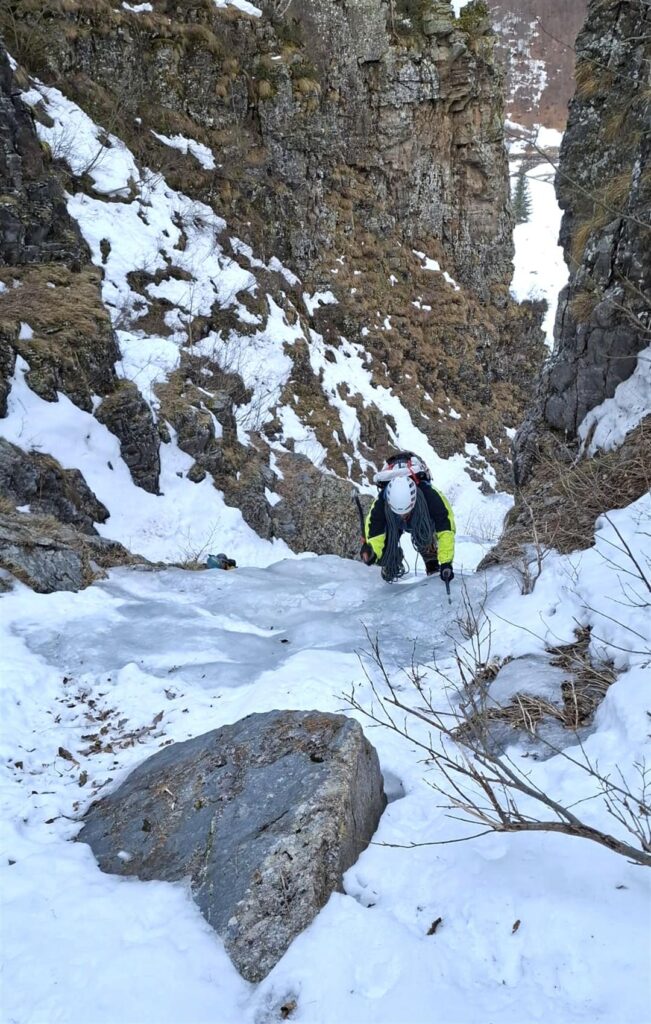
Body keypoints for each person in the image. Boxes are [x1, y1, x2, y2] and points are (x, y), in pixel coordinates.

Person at [360, 451, 455, 584]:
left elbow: (445, 529)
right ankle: (392, 560)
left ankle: (430, 558)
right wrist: (373, 553)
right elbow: (375, 532)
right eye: (401, 513)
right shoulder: (381, 503)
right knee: (387, 538)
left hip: (421, 517)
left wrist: (446, 562)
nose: (403, 516)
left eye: (405, 512)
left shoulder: (430, 496)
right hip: (392, 520)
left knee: (424, 528)